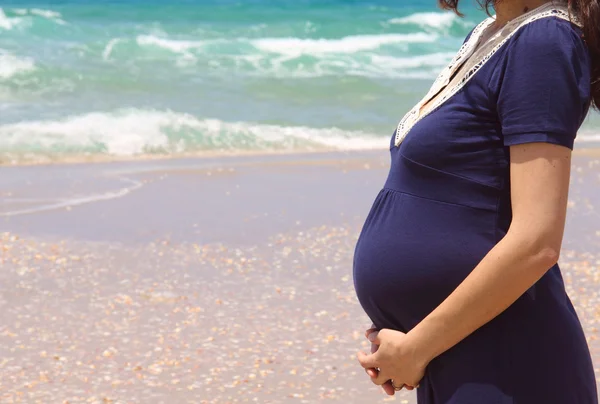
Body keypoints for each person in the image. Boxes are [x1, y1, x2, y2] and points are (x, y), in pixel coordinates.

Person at [352, 0, 600, 402]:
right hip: (454, 347)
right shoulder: (490, 34)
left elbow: (537, 241)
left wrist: (415, 349)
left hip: (504, 358)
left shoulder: (545, 39)